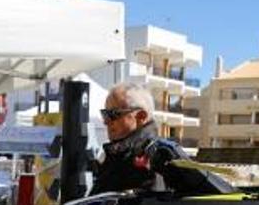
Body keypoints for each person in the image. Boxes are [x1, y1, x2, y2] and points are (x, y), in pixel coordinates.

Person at [90, 82, 229, 196]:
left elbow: (218, 199)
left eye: (112, 115)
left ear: (141, 117)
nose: (106, 122)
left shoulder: (159, 154)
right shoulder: (118, 154)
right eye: (104, 114)